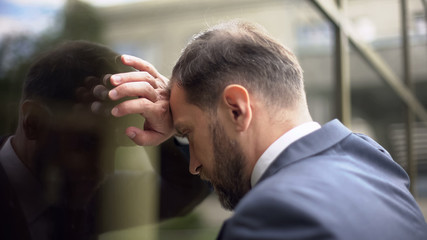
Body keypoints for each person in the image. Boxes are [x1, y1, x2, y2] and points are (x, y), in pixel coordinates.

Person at [109, 20, 427, 239]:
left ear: (237, 108)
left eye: (189, 133)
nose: (193, 165)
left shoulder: (270, 217)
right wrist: (182, 117)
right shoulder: (374, 162)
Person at [0, 40, 210, 240]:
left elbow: (186, 190)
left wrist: (164, 123)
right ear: (33, 122)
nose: (105, 168)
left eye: (113, 146)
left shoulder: (83, 191)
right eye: (87, 143)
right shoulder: (77, 187)